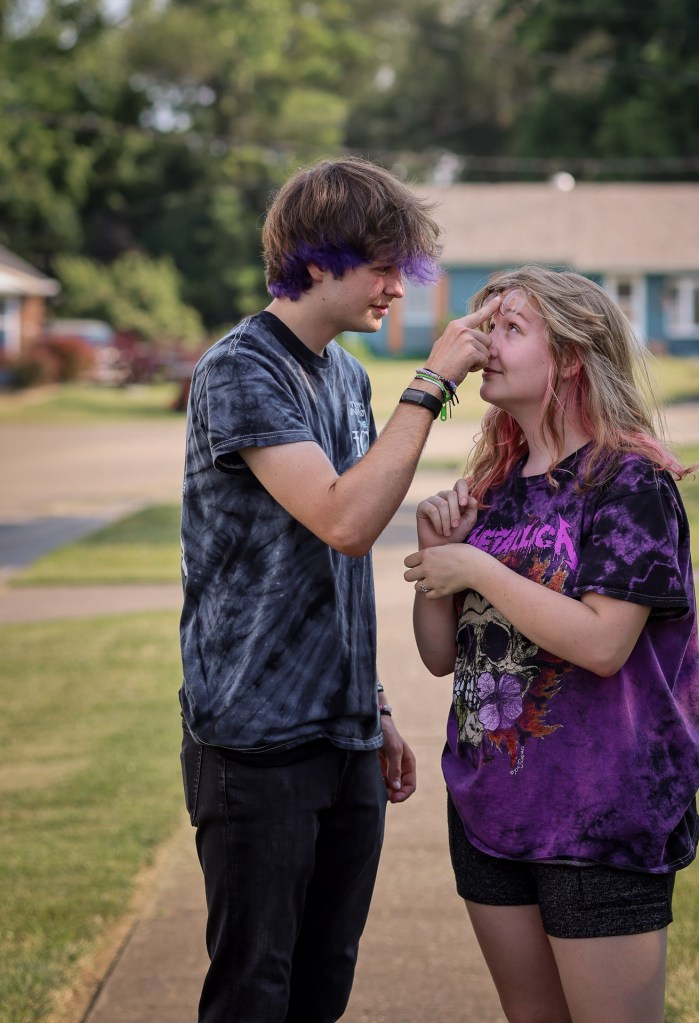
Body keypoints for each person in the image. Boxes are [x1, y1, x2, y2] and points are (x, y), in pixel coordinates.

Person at [178, 156, 500, 1023]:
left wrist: (377, 704)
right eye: (382, 265)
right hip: (255, 743)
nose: (398, 287)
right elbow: (343, 521)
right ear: (316, 260)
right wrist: (430, 386)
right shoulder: (240, 369)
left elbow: (331, 572)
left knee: (323, 989)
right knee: (255, 994)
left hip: (344, 735)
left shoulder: (346, 376)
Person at [404, 266, 699, 1023]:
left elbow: (604, 643)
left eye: (508, 328)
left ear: (570, 356)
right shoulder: (497, 485)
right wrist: (434, 557)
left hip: (598, 813)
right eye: (484, 326)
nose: (482, 344)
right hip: (489, 807)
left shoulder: (626, 482)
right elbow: (444, 657)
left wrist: (475, 564)